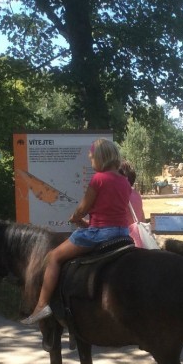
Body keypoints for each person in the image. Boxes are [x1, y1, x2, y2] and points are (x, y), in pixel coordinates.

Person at [21, 139, 132, 325]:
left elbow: (82, 208)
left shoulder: (98, 179)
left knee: (53, 257)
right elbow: (111, 213)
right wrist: (87, 222)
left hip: (100, 233)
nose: (91, 161)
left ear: (101, 157)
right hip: (122, 233)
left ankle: (41, 306)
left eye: (92, 158)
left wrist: (76, 217)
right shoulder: (125, 181)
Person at [119, 160, 147, 247]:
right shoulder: (136, 194)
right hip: (139, 241)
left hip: (125, 242)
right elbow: (143, 219)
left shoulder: (120, 195)